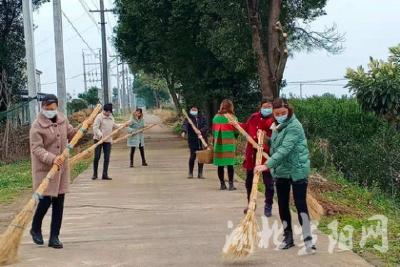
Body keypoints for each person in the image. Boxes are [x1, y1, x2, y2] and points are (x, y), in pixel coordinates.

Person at [255, 98, 315, 253]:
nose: (281, 115)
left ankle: (308, 240)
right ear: (274, 114)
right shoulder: (277, 126)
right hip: (282, 170)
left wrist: (267, 165)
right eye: (277, 113)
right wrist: (264, 139)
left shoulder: (295, 126)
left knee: (300, 204)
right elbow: (276, 146)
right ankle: (288, 238)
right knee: (282, 204)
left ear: (289, 111)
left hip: (297, 169)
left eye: (283, 113)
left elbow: (285, 149)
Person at [29, 94, 76, 249]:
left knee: (59, 203)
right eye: (47, 109)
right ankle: (35, 228)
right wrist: (52, 158)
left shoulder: (62, 119)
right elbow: (36, 148)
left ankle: (54, 237)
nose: (50, 111)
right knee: (45, 201)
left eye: (53, 109)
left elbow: (70, 133)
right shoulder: (37, 126)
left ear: (57, 107)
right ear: (42, 107)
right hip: (45, 169)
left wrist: (82, 130)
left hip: (61, 170)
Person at [241, 99, 275, 217]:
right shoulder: (253, 117)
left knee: (268, 183)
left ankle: (268, 205)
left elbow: (276, 138)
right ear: (260, 107)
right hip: (252, 154)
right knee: (249, 181)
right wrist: (235, 124)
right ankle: (250, 204)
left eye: (269, 107)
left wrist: (265, 142)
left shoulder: (273, 120)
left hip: (266, 155)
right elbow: (246, 127)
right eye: (265, 107)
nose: (267, 109)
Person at [212, 99, 238, 191]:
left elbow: (213, 131)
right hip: (229, 144)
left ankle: (222, 184)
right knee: (230, 165)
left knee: (220, 165)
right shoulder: (232, 118)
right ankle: (231, 185)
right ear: (231, 107)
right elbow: (236, 131)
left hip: (218, 144)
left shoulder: (216, 117)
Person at [92, 103, 119, 180]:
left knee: (107, 158)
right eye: (107, 112)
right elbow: (95, 127)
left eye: (110, 112)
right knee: (97, 157)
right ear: (104, 110)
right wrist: (100, 135)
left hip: (108, 140)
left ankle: (105, 174)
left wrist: (123, 125)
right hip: (98, 139)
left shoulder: (111, 117)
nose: (108, 113)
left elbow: (114, 125)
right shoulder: (99, 117)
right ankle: (95, 174)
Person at [181, 106, 209, 179]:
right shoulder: (188, 118)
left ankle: (200, 173)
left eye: (195, 109)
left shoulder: (202, 117)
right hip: (192, 140)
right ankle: (190, 172)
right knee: (192, 156)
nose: (194, 111)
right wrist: (184, 132)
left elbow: (206, 126)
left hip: (202, 140)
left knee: (201, 157)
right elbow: (185, 125)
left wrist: (201, 131)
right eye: (192, 109)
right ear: (190, 110)